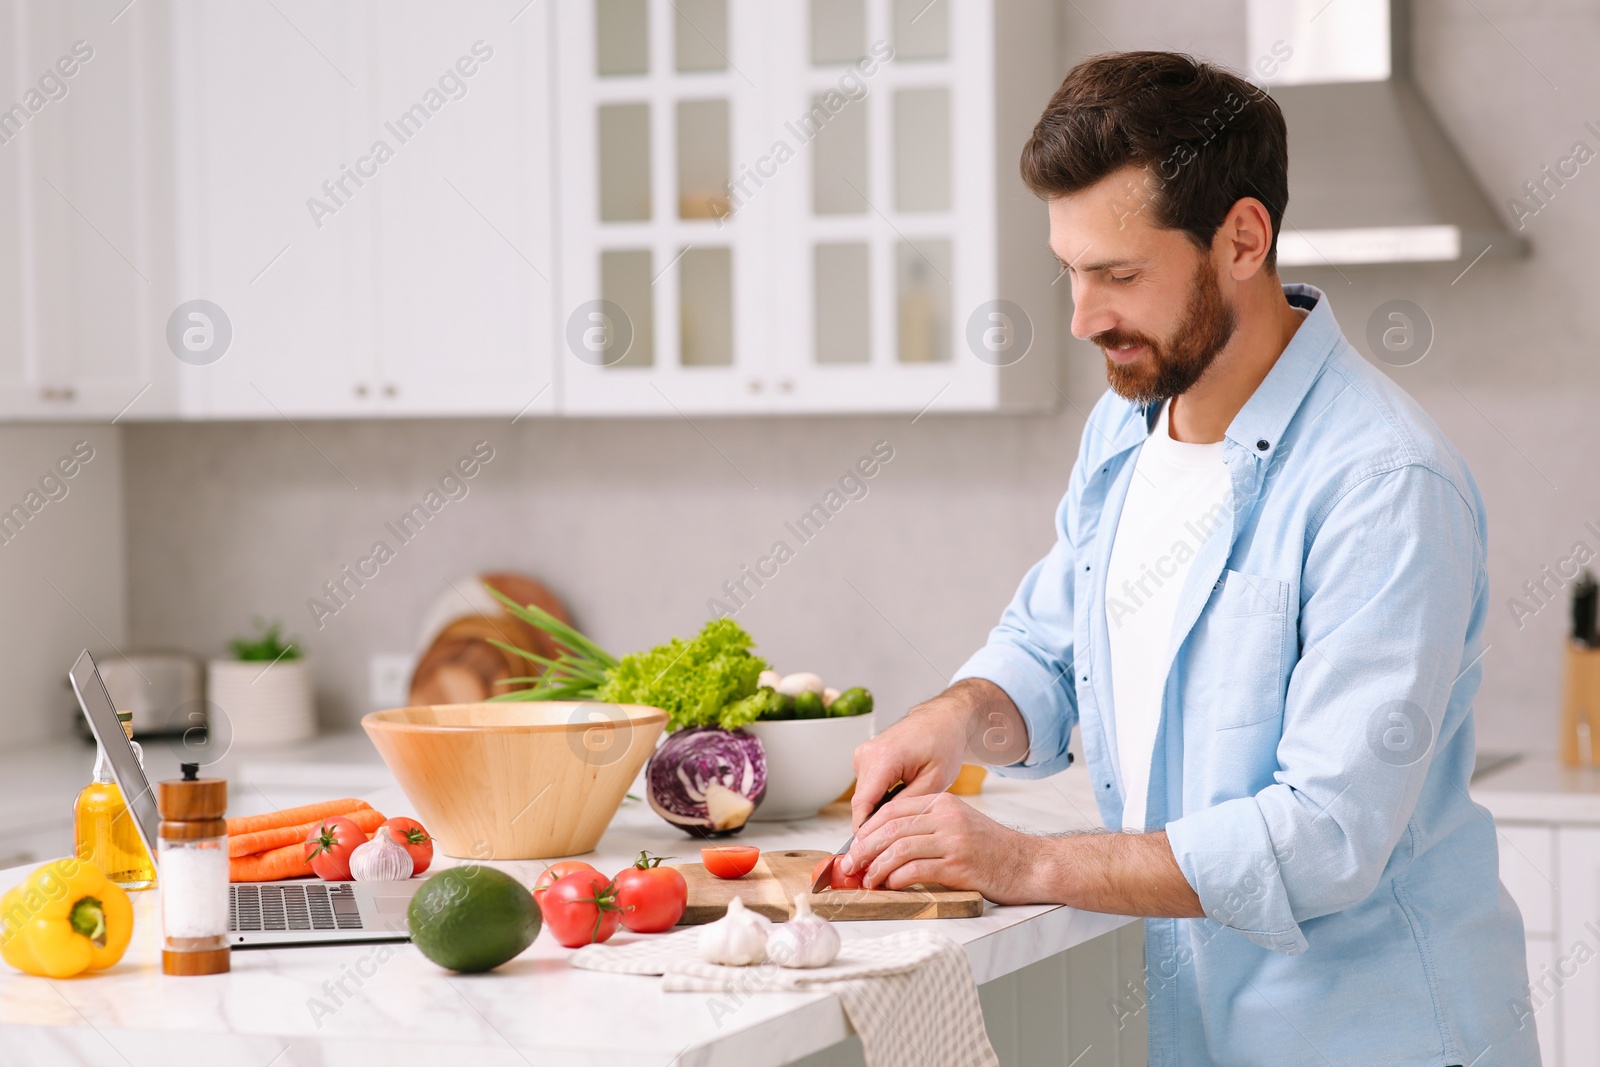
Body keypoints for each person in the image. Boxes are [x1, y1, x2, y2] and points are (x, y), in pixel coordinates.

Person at [842, 51, 1538, 1066]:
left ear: (1241, 239)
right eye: (1071, 271)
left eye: (1119, 275)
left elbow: (1327, 833)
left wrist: (1028, 859)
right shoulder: (1125, 432)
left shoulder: (1382, 482)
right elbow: (1051, 638)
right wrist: (956, 713)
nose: (1082, 318)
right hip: (1199, 1031)